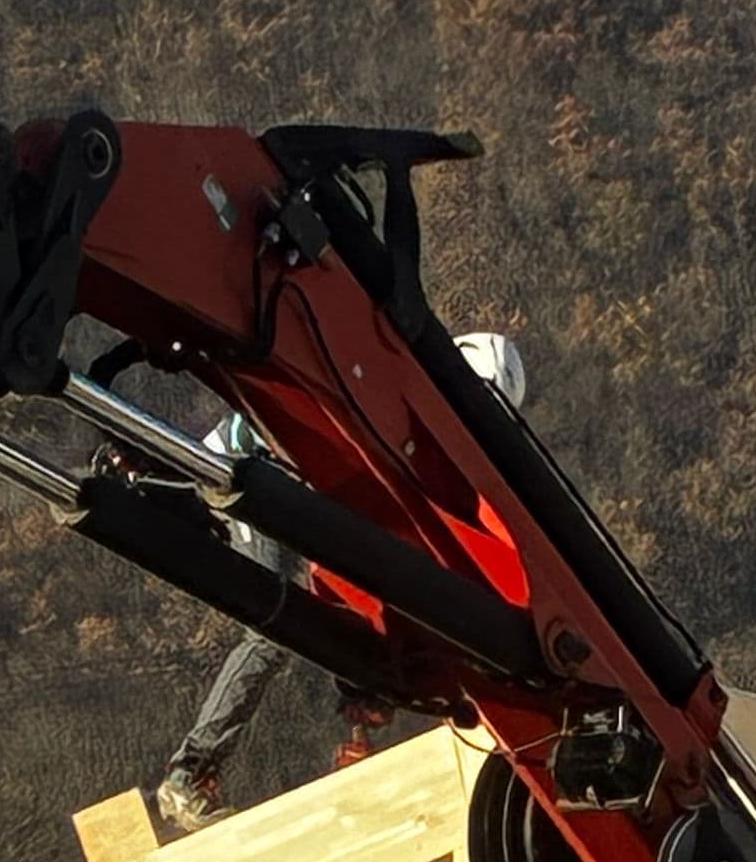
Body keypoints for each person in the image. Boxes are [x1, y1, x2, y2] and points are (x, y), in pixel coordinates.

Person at [155, 331, 527, 832]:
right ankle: (190, 773)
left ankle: (345, 713)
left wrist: (367, 685)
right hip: (241, 471)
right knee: (273, 626)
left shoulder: (411, 421)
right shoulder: (387, 398)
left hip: (277, 481)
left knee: (335, 603)